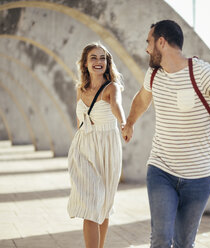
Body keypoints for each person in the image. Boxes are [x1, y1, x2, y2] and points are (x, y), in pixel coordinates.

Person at [122, 20, 210, 248]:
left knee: (184, 243)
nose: (146, 48)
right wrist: (130, 123)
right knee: (161, 240)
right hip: (161, 170)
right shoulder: (153, 75)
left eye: (149, 42)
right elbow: (142, 100)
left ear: (161, 42)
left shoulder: (201, 72)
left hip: (199, 177)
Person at [67, 42, 126, 248]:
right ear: (85, 63)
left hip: (107, 149)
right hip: (83, 148)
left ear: (108, 63)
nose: (98, 62)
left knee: (104, 204)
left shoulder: (112, 87)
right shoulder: (80, 89)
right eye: (93, 58)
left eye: (103, 58)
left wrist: (124, 123)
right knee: (92, 201)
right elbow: (79, 122)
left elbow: (117, 106)